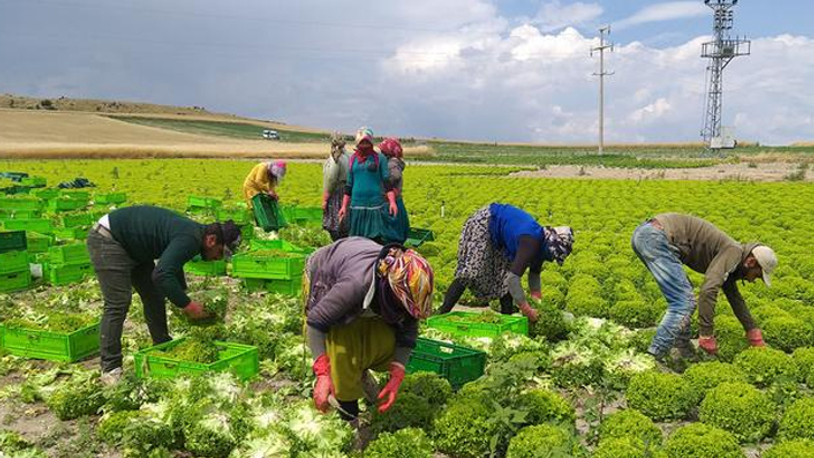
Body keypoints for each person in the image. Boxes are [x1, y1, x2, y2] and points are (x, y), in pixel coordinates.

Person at [86, 205, 241, 385]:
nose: (218, 258)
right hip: (109, 240)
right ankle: (110, 368)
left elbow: (174, 265)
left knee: (154, 296)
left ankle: (162, 345)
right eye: (221, 252)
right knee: (118, 303)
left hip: (135, 247)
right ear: (212, 240)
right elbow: (161, 274)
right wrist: (188, 305)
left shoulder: (193, 235)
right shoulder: (191, 238)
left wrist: (183, 293)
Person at [304, 237, 434, 420]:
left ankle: (359, 370)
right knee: (342, 346)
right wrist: (322, 374)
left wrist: (397, 372)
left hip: (356, 264)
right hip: (326, 272)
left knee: (382, 340)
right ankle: (344, 402)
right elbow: (316, 322)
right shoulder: (356, 285)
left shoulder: (405, 289)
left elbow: (408, 329)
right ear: (389, 290)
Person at [631, 213, 777, 360]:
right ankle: (654, 356)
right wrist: (706, 334)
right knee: (684, 302)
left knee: (684, 296)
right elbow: (708, 290)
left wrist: (752, 329)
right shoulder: (733, 252)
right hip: (656, 238)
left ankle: (681, 347)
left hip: (647, 234)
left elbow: (734, 296)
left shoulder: (734, 259)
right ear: (751, 262)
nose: (752, 280)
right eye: (757, 275)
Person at [437, 203, 574, 322]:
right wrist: (527, 310)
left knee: (504, 276)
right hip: (487, 221)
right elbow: (513, 280)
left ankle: (506, 321)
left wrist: (537, 302)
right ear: (551, 245)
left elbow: (534, 274)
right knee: (471, 272)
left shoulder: (541, 246)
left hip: (503, 236)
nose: (552, 259)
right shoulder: (531, 242)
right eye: (554, 255)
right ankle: (441, 313)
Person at [338, 127, 398, 243]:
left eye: (367, 142)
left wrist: (392, 202)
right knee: (356, 240)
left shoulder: (380, 159)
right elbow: (349, 186)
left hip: (374, 206)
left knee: (375, 239)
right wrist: (344, 206)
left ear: (371, 143)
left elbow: (387, 182)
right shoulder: (353, 160)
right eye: (362, 142)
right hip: (356, 206)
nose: (364, 145)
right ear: (357, 143)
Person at [379, 137, 410, 244]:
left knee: (390, 235)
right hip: (396, 201)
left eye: (383, 152)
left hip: (390, 203)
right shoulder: (394, 163)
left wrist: (384, 181)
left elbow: (395, 176)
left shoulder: (391, 164)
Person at [322, 132, 351, 241]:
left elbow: (331, 179)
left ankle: (337, 242)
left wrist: (325, 199)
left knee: (335, 223)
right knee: (345, 221)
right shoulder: (348, 156)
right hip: (347, 191)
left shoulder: (336, 159)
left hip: (337, 192)